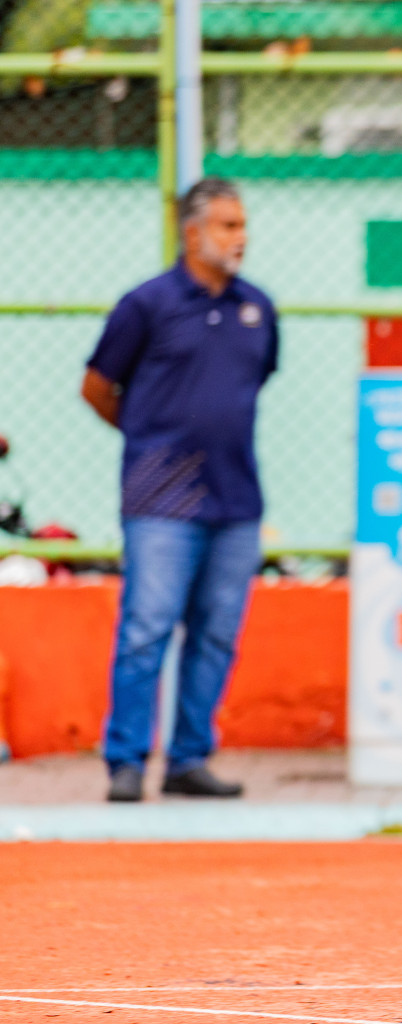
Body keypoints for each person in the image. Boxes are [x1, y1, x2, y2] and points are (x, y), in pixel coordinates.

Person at [81, 178, 278, 803]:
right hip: (160, 502)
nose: (239, 237)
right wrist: (148, 437)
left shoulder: (259, 309)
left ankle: (189, 759)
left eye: (242, 224)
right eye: (227, 225)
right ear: (192, 233)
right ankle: (126, 762)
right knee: (146, 627)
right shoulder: (145, 305)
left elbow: (256, 379)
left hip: (236, 499)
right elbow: (96, 386)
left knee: (218, 633)